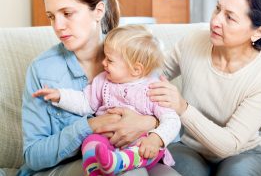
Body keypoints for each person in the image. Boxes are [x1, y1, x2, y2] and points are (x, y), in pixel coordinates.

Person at [19, 0, 181, 176]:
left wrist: (148, 123)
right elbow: (33, 156)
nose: (58, 26)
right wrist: (91, 126)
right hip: (63, 167)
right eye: (51, 16)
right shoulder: (42, 70)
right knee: (131, 174)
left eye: (67, 13)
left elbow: (175, 131)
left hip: (129, 154)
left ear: (98, 11)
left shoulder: (134, 53)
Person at [148, 0, 261, 176]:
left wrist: (183, 108)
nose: (215, 21)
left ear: (258, 31)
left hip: (243, 152)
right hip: (188, 146)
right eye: (217, 9)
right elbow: (150, 78)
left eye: (230, 17)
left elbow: (229, 145)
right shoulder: (194, 40)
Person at [32, 25, 181, 176]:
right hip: (107, 143)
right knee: (90, 142)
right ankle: (97, 168)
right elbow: (85, 102)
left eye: (110, 60)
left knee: (147, 150)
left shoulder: (153, 89)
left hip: (141, 144)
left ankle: (118, 162)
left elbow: (172, 120)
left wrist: (156, 139)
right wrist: (60, 96)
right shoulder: (103, 81)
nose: (103, 63)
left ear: (136, 69)